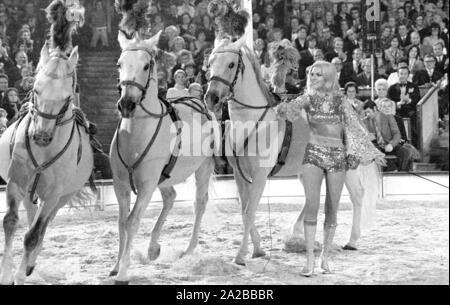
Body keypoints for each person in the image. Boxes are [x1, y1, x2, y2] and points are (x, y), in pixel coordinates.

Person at [277, 61, 384, 276]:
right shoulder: (307, 98)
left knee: (332, 209)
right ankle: (309, 259)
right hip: (313, 154)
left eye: (318, 74)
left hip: (337, 156)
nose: (313, 77)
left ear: (328, 77)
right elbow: (286, 111)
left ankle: (324, 257)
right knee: (312, 205)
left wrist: (371, 151)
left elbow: (354, 126)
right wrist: (281, 100)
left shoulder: (341, 100)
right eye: (312, 74)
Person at [363, 101, 414, 171]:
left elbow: (397, 134)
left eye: (368, 112)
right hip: (376, 147)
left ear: (374, 109)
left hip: (389, 144)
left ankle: (401, 174)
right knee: (371, 154)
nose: (367, 114)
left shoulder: (388, 117)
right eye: (365, 112)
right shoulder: (365, 121)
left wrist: (391, 144)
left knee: (404, 152)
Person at [387, 64, 421, 147]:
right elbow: (388, 101)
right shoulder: (392, 88)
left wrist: (409, 100)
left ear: (408, 75)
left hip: (410, 111)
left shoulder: (414, 86)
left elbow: (417, 99)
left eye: (405, 74)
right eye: (401, 73)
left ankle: (415, 145)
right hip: (397, 111)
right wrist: (397, 104)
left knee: (414, 119)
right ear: (398, 74)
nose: (403, 76)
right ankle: (399, 143)